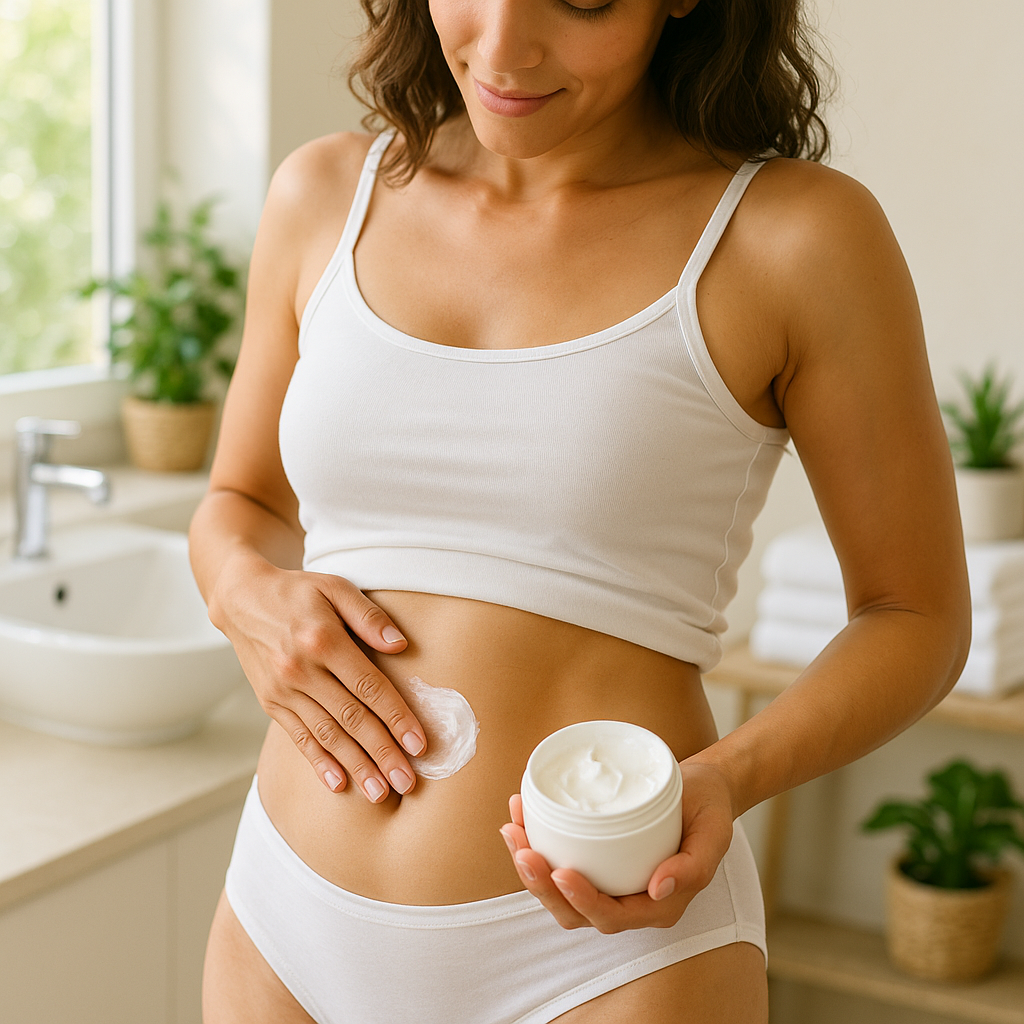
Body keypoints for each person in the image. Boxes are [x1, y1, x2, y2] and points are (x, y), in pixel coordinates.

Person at [189, 0, 971, 1019]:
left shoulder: (794, 237)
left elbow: (915, 616)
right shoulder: (324, 193)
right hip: (282, 925)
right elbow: (237, 501)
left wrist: (726, 776)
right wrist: (242, 589)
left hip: (602, 965)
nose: (503, 47)